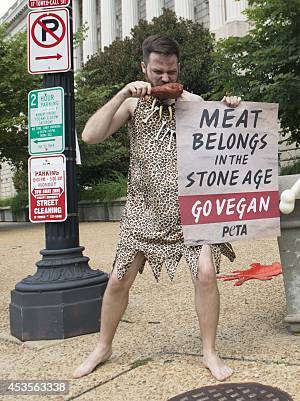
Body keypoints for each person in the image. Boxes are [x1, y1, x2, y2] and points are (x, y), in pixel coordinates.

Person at [73, 35, 240, 381]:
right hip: (143, 210)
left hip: (190, 211)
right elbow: (90, 135)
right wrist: (122, 93)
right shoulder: (133, 104)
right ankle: (103, 347)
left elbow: (222, 139)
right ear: (144, 68)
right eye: (158, 72)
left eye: (171, 71)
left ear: (179, 68)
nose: (165, 79)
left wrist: (231, 108)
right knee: (118, 281)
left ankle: (209, 351)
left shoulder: (193, 102)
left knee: (207, 276)